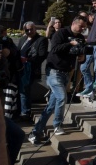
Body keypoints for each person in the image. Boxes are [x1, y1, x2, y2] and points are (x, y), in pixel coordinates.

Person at [28, 16, 88, 144]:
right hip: (54, 71)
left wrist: (82, 57)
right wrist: (70, 44)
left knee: (51, 106)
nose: (83, 29)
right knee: (62, 97)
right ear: (73, 23)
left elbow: (80, 54)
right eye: (81, 26)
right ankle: (57, 124)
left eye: (84, 27)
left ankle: (35, 132)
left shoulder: (81, 38)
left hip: (66, 73)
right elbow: (54, 49)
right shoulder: (61, 33)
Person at [17, 21, 48, 119]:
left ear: (35, 29)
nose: (30, 31)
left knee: (25, 90)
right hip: (19, 69)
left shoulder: (41, 40)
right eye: (27, 30)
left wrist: (27, 60)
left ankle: (25, 112)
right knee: (20, 90)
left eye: (31, 29)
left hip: (30, 69)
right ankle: (19, 110)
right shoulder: (22, 39)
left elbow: (42, 55)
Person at [0, 26, 22, 119]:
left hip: (7, 76)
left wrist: (5, 49)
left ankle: (7, 120)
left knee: (7, 101)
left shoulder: (8, 42)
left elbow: (11, 54)